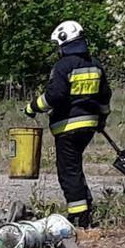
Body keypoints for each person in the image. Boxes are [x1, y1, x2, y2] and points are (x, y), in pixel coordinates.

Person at [23, 20, 112, 227]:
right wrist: (102, 119)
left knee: (68, 171)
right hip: (89, 126)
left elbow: (54, 96)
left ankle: (79, 217)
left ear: (64, 43)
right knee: (75, 166)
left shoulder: (63, 66)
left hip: (68, 127)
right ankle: (86, 205)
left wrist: (32, 107)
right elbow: (105, 96)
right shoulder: (95, 64)